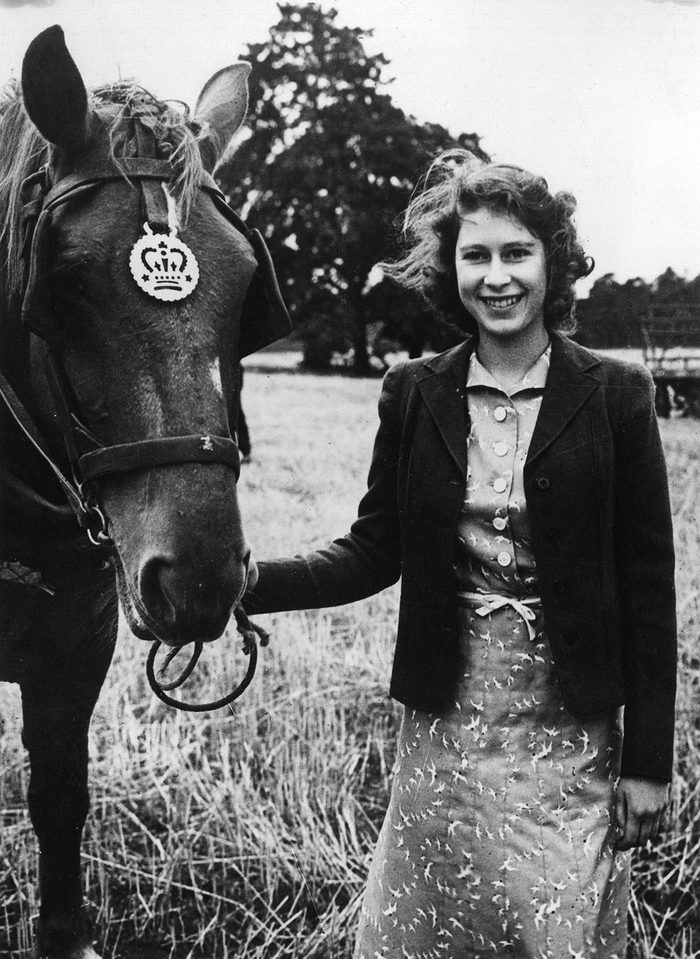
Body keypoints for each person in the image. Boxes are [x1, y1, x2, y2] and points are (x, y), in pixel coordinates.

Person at [244, 151, 677, 959]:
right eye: (476, 255)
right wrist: (247, 582)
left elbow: (651, 589)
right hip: (444, 734)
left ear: (554, 262)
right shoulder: (415, 391)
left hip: (569, 736)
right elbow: (372, 551)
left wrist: (651, 761)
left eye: (517, 252)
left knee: (560, 931)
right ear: (453, 269)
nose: (498, 275)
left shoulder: (617, 395)